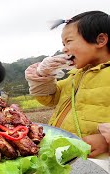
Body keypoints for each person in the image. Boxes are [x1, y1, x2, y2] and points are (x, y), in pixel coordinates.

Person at [24, 11, 110, 158]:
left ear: (100, 40)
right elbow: (50, 98)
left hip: (99, 160)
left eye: (69, 41)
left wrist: (106, 141)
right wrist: (43, 75)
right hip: (66, 154)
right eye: (63, 44)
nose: (64, 49)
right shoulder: (75, 76)